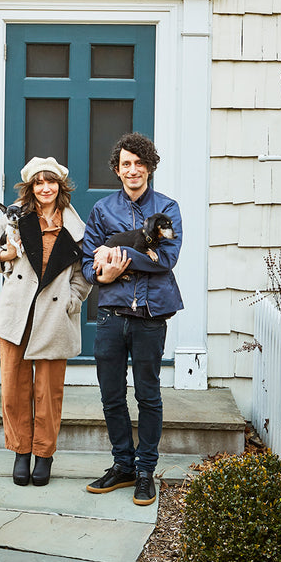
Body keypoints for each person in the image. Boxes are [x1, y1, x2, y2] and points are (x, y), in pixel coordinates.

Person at [82, 132, 183, 506]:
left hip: (150, 316)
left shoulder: (168, 208)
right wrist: (101, 274)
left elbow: (167, 260)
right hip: (110, 315)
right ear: (117, 169)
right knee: (111, 395)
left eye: (140, 163)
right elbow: (86, 262)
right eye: (126, 164)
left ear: (150, 168)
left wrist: (116, 253)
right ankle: (122, 465)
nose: (133, 170)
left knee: (148, 395)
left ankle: (145, 471)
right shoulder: (102, 210)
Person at [0, 157, 91, 487]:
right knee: (14, 388)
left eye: (51, 182)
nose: (46, 188)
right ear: (31, 187)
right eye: (39, 183)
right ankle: (21, 452)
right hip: (17, 313)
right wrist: (5, 256)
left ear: (60, 186)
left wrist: (73, 299)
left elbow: (84, 273)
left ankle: (44, 454)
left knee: (48, 392)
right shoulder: (13, 217)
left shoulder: (74, 225)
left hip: (55, 316)